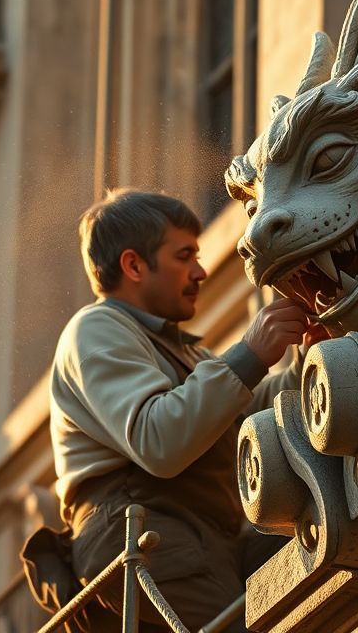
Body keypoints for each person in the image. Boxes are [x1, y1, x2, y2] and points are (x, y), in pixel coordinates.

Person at [36, 188, 322, 632]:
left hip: (202, 541)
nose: (201, 271)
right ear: (133, 265)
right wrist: (249, 355)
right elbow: (160, 439)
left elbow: (245, 416)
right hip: (145, 533)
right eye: (184, 256)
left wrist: (308, 360)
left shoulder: (183, 352)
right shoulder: (95, 329)